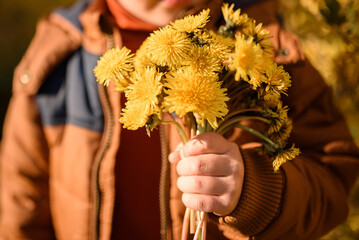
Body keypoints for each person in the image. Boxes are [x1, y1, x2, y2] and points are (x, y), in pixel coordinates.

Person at [0, 0, 358, 239]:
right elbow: (19, 207)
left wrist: (256, 192)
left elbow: (332, 175)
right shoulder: (56, 57)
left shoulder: (264, 46)